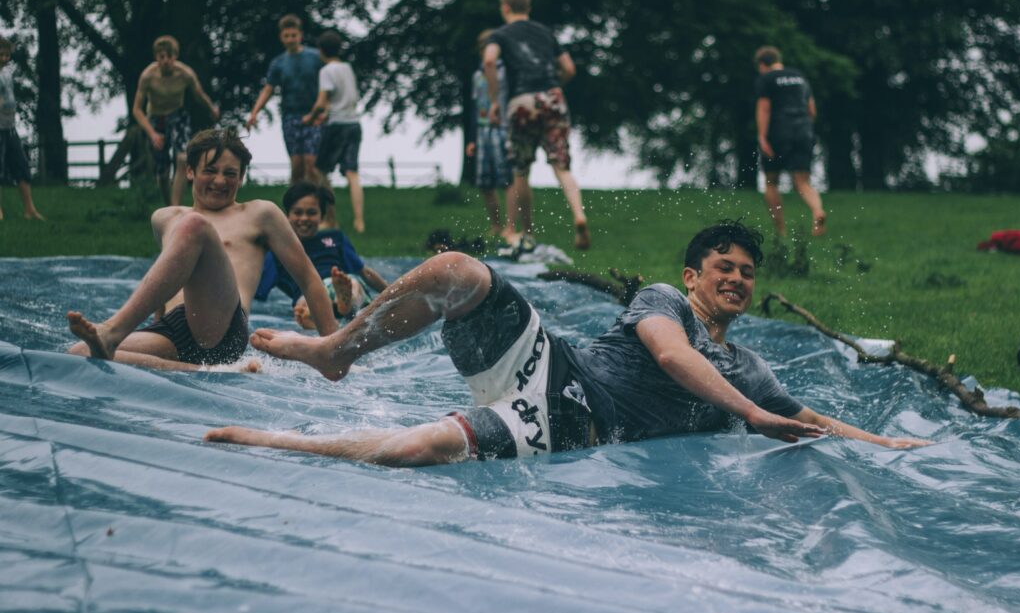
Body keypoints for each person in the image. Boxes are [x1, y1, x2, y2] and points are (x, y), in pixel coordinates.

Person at [205, 220, 930, 465]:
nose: (737, 281)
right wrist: (756, 415)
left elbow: (806, 418)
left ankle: (277, 443)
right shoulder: (664, 300)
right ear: (693, 275)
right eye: (724, 270)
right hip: (553, 367)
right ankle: (338, 348)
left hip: (578, 423)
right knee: (459, 269)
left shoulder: (751, 365)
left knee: (417, 451)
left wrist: (881, 444)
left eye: (747, 274)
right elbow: (672, 356)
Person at [67, 128, 338, 371]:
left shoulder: (260, 214)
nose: (220, 181)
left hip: (222, 329)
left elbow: (309, 279)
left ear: (242, 177)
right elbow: (169, 277)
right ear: (190, 171)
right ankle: (201, 370)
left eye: (230, 174)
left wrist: (332, 351)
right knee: (79, 353)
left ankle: (112, 331)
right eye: (210, 170)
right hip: (173, 328)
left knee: (195, 225)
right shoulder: (164, 218)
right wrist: (155, 322)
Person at [482, 0, 590, 251]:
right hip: (552, 97)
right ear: (528, 7)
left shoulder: (501, 34)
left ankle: (527, 232)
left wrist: (496, 101)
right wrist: (556, 87)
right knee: (562, 166)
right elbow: (569, 68)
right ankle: (579, 215)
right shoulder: (545, 33)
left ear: (505, 8)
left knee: (521, 170)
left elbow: (488, 61)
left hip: (521, 100)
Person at [256, 181, 388, 330]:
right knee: (305, 301)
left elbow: (363, 271)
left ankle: (340, 305)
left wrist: (390, 291)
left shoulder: (335, 238)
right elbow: (256, 285)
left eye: (311, 213)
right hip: (307, 296)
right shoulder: (278, 251)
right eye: (298, 212)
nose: (304, 218)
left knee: (352, 285)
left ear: (322, 216)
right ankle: (320, 313)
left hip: (337, 283)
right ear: (287, 216)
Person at [131, 35, 221, 206]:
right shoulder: (148, 76)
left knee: (181, 158)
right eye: (161, 57)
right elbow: (136, 110)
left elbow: (199, 95)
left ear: (175, 56)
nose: (165, 61)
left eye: (169, 56)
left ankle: (176, 206)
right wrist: (152, 134)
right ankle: (168, 208)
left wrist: (211, 109)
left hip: (178, 116)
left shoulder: (185, 74)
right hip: (156, 120)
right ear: (156, 57)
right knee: (162, 172)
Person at [754, 46, 826, 238]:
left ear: (762, 64)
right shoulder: (799, 76)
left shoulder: (766, 79)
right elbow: (812, 109)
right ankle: (817, 211)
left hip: (779, 130)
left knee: (771, 181)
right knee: (803, 181)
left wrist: (762, 136)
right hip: (803, 129)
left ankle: (780, 231)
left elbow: (764, 108)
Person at [246, 14, 324, 185]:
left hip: (314, 115)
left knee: (311, 165)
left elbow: (328, 85)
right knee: (297, 166)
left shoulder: (316, 57)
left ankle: (323, 203)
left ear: (300, 35)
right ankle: (294, 207)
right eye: (286, 36)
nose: (290, 39)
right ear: (281, 37)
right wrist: (254, 112)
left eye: (293, 35)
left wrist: (325, 109)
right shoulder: (278, 63)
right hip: (290, 116)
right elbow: (268, 89)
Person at [305, 30, 365, 233]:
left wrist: (310, 117)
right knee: (352, 173)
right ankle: (359, 221)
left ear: (321, 51)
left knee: (320, 171)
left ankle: (330, 218)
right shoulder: (347, 68)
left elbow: (322, 101)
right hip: (354, 123)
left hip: (337, 125)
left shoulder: (326, 71)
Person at [466, 29, 515, 239]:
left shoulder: (508, 72)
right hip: (482, 129)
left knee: (508, 179)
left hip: (503, 128)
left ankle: (511, 227)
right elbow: (475, 106)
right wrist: (472, 137)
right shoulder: (477, 75)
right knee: (485, 182)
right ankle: (496, 224)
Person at [0, 36, 45, 221]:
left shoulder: (7, 74)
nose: (4, 58)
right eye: (1, 55)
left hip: (10, 128)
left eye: (7, 55)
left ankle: (29, 209)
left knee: (22, 167)